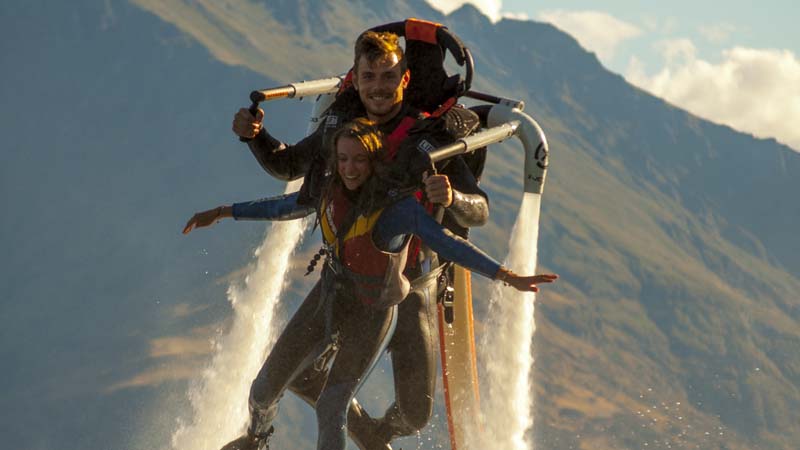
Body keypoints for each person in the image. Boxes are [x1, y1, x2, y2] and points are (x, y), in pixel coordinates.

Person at [184, 119, 558, 450]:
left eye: (359, 160)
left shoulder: (397, 209)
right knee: (261, 391)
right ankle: (255, 442)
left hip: (374, 313)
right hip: (330, 297)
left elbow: (449, 243)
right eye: (343, 159)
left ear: (374, 161)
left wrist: (507, 276)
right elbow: (283, 209)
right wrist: (223, 212)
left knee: (332, 406)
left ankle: (364, 428)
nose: (349, 168)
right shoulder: (327, 190)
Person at [232, 30, 488, 449]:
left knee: (415, 414)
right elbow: (290, 166)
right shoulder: (341, 126)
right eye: (369, 77)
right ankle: (265, 432)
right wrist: (255, 136)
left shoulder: (430, 139)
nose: (378, 88)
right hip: (345, 278)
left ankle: (374, 433)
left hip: (409, 287)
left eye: (388, 76)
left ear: (404, 79)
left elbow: (479, 210)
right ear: (357, 78)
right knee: (273, 393)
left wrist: (453, 196)